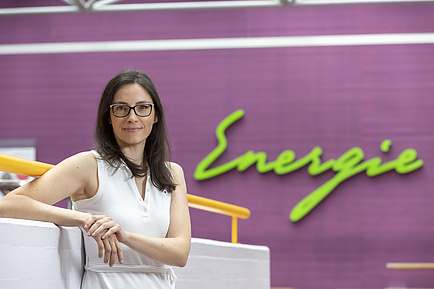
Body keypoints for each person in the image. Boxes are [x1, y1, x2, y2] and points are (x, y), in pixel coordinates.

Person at [0, 70, 191, 289]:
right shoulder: (89, 164)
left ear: (155, 116)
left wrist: (125, 236)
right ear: (108, 117)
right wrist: (85, 220)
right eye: (120, 108)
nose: (132, 117)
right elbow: (9, 204)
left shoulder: (172, 173)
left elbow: (180, 253)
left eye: (142, 107)